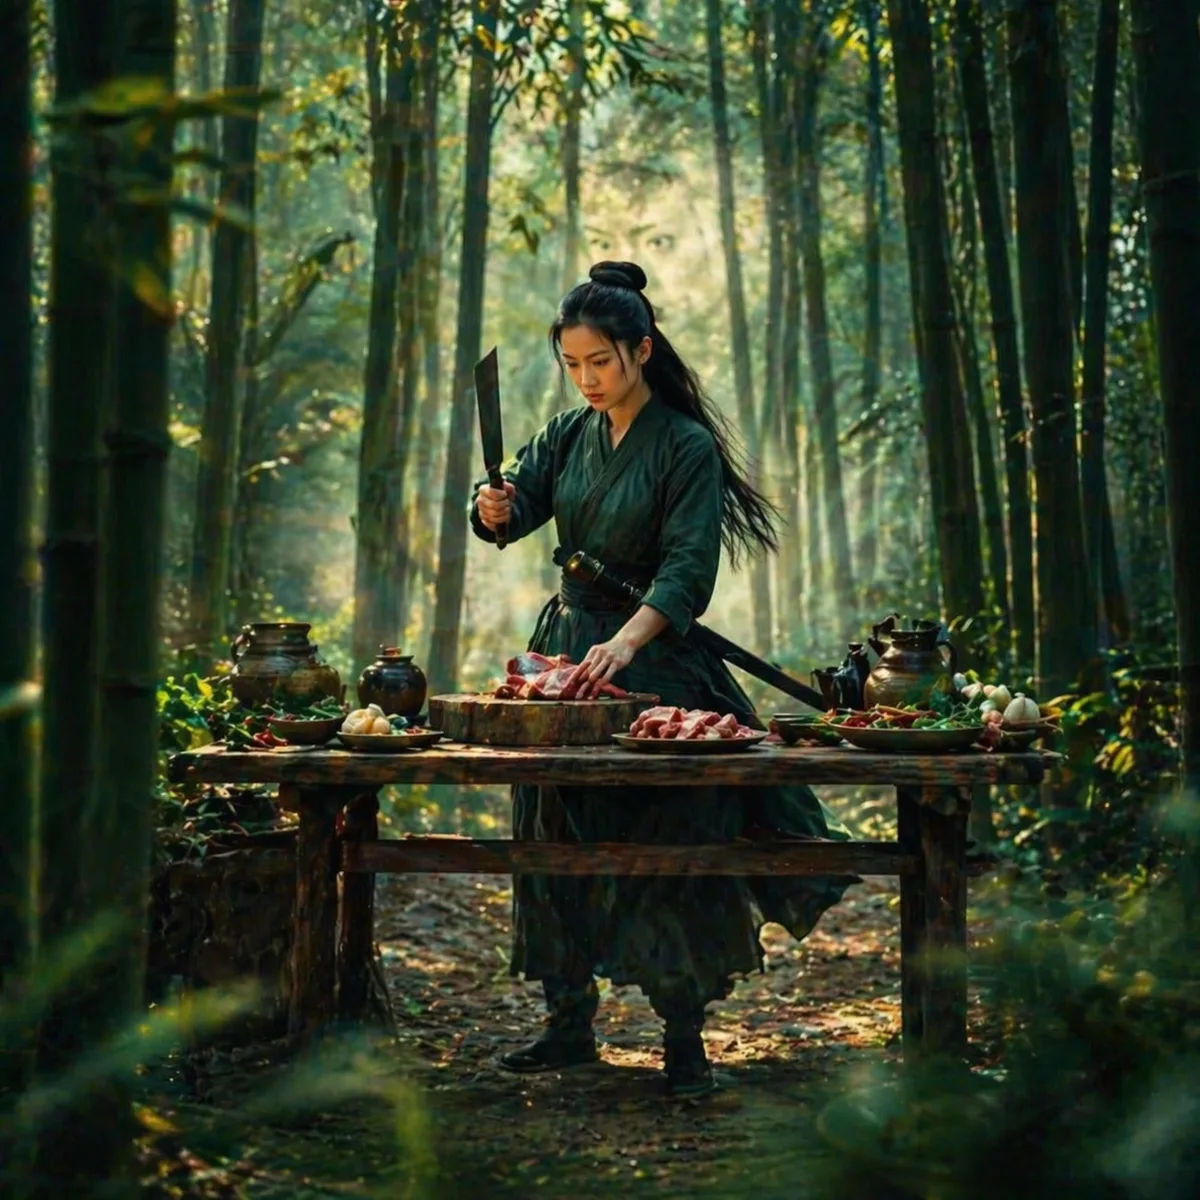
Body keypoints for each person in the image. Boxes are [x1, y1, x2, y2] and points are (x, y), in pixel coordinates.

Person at [469, 260, 857, 1097]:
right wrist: (491, 507)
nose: (587, 379)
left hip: (658, 658)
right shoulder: (568, 434)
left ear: (640, 350)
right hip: (567, 653)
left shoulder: (684, 446)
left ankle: (685, 1040)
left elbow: (686, 572)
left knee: (672, 839)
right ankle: (566, 1021)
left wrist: (630, 644)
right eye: (572, 365)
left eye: (600, 362)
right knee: (554, 830)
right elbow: (516, 505)